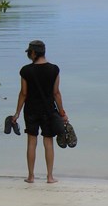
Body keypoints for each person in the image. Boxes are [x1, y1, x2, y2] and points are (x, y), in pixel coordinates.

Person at [12, 40, 68, 183]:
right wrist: (62, 112)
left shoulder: (26, 70)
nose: (28, 55)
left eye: (29, 53)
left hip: (31, 110)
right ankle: (50, 177)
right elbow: (56, 93)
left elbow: (23, 93)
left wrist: (17, 113)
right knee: (48, 142)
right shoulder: (54, 69)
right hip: (48, 110)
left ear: (33, 53)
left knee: (32, 142)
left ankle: (31, 176)